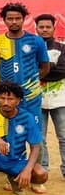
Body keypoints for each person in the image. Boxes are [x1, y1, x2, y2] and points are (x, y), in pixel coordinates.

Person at [0, 3, 49, 128]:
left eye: (18, 18)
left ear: (24, 19)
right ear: (4, 20)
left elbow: (45, 67)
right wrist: (9, 83)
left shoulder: (36, 41)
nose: (14, 22)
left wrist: (31, 81)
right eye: (10, 19)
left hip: (31, 95)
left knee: (34, 130)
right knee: (9, 129)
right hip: (7, 96)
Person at [34, 13, 65, 183]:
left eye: (48, 27)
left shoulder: (62, 48)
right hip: (36, 101)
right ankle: (42, 170)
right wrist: (52, 67)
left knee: (64, 137)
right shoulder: (31, 48)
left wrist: (43, 69)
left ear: (54, 28)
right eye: (41, 27)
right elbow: (29, 70)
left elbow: (62, 71)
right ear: (36, 28)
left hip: (60, 100)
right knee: (40, 138)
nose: (44, 30)